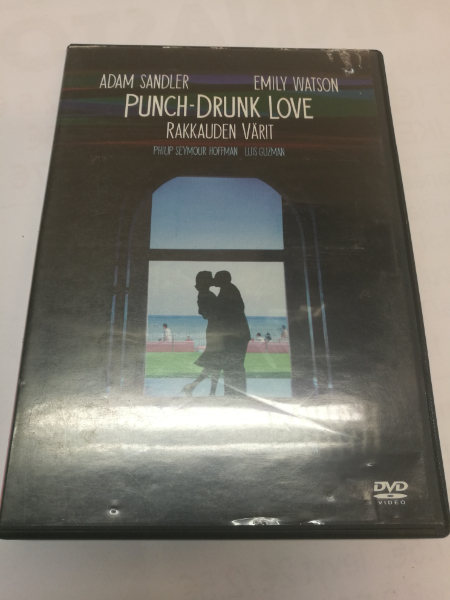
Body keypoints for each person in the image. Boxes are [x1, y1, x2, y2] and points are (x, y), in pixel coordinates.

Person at [182, 271, 222, 396]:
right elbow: (208, 313)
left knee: (215, 363)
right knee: (216, 363)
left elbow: (203, 312)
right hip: (216, 330)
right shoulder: (207, 294)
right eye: (210, 278)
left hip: (214, 329)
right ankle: (209, 392)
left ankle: (197, 388)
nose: (213, 279)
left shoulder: (203, 294)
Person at [214, 270, 250, 396]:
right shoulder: (229, 289)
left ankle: (234, 394)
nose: (214, 280)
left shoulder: (228, 290)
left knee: (233, 365)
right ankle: (234, 393)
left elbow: (224, 312)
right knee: (233, 365)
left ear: (222, 280)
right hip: (236, 334)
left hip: (235, 336)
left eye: (216, 278)